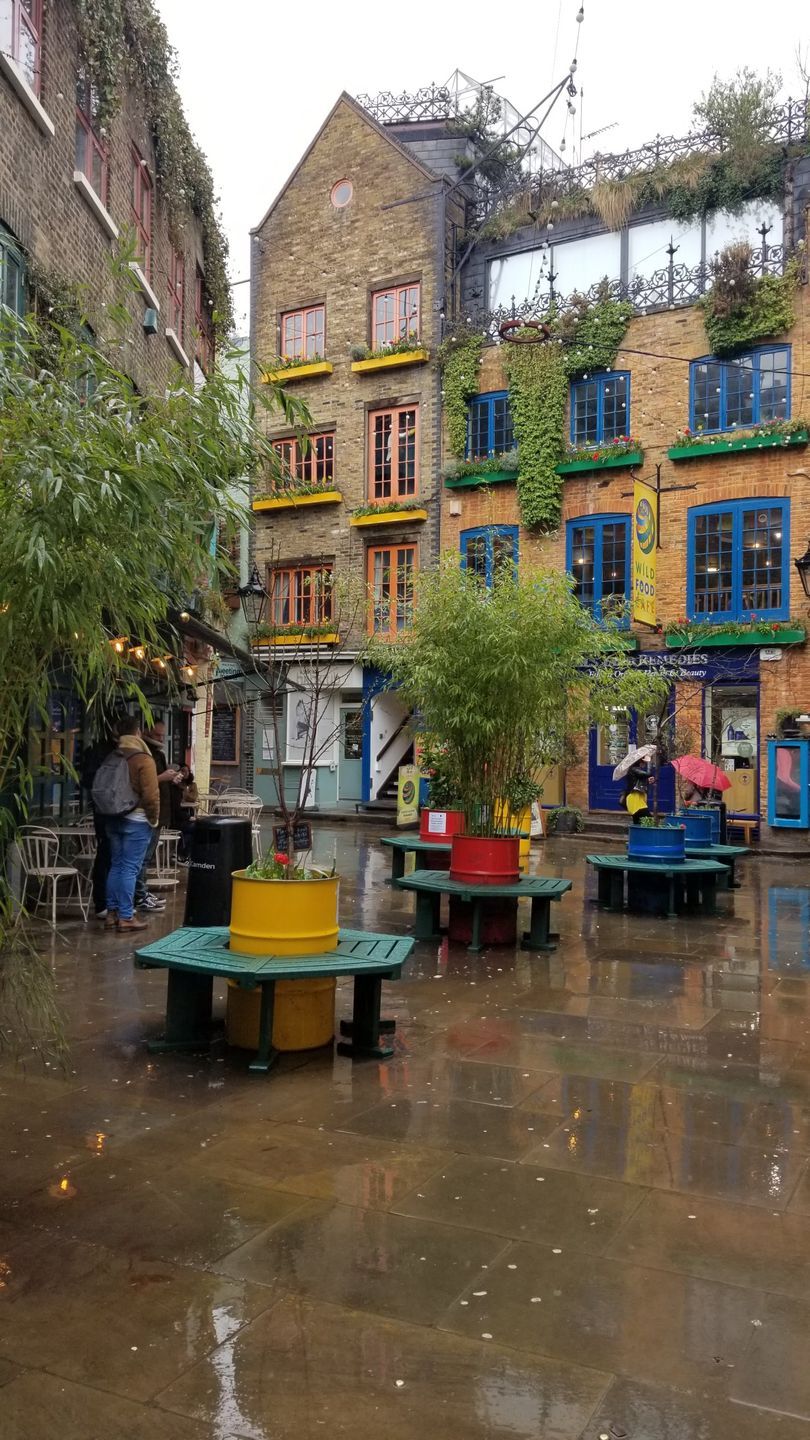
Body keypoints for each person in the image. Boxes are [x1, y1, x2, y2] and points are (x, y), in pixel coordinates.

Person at [103, 716, 159, 932]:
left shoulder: (114, 754)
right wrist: (153, 819)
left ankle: (112, 913)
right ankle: (126, 916)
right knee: (130, 869)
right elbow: (151, 795)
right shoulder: (143, 758)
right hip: (136, 819)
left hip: (112, 817)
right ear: (138, 733)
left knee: (116, 866)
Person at [133, 719, 177, 913]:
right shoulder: (144, 755)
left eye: (162, 735)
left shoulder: (157, 753)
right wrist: (163, 778)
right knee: (141, 859)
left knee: (145, 858)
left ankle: (142, 892)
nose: (160, 739)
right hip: (148, 815)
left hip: (158, 813)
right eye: (157, 735)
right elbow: (145, 784)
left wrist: (172, 778)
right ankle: (139, 895)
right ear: (144, 733)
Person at [80, 721, 118, 920]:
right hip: (109, 812)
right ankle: (104, 902)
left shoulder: (98, 750)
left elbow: (87, 782)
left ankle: (106, 902)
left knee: (109, 857)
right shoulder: (109, 753)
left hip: (104, 811)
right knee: (108, 858)